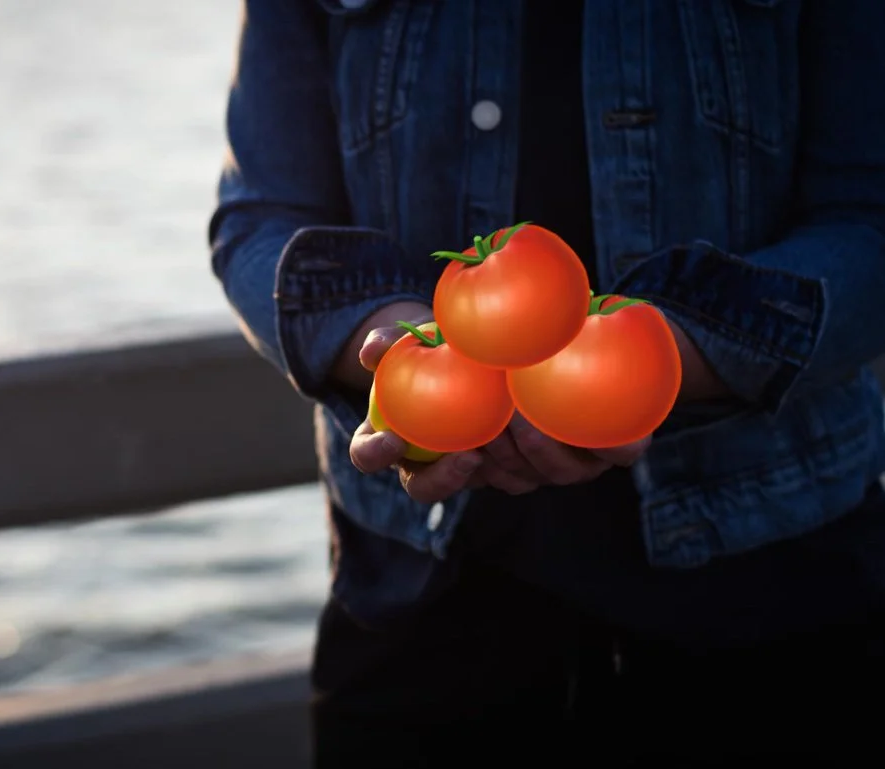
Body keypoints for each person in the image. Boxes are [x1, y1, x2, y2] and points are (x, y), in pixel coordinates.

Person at [209, 0, 885, 764]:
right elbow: (261, 218)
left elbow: (868, 215)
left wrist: (670, 357)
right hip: (419, 607)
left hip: (777, 598)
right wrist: (392, 347)